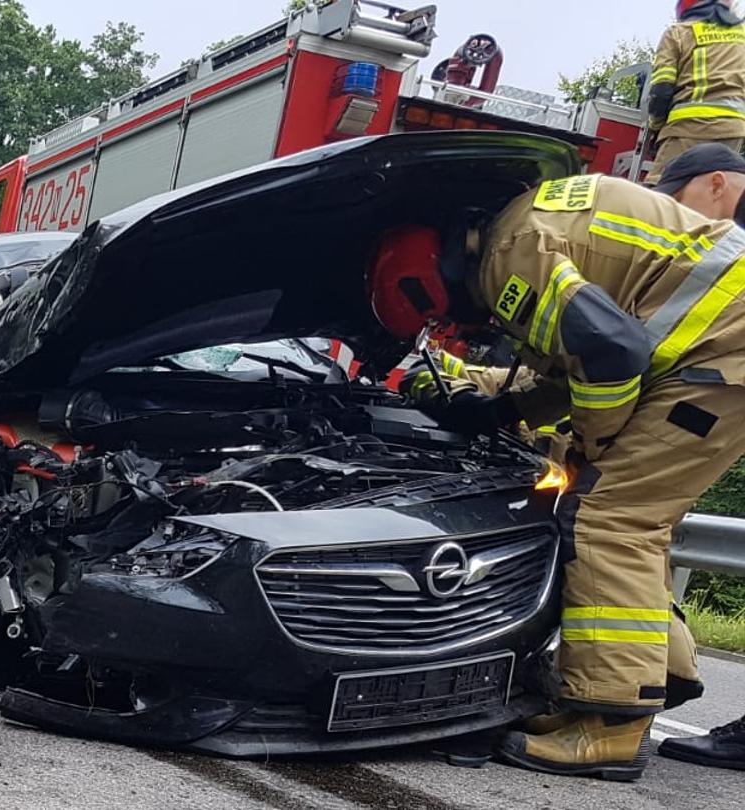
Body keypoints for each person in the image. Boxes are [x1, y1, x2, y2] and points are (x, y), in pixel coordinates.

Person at [371, 173, 745, 780]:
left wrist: (593, 448)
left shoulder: (506, 256)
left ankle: (608, 725)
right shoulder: (530, 221)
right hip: (719, 347)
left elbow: (612, 353)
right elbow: (574, 367)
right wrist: (501, 410)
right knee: (630, 515)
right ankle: (659, 673)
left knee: (606, 517)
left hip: (718, 352)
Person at [649, 144, 745, 770]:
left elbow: (672, 339)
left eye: (673, 203)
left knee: (613, 519)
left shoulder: (728, 245)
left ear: (715, 185)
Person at [647, 0, 745, 182]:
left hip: (688, 126)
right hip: (734, 130)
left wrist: (655, 126)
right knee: (710, 191)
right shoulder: (742, 36)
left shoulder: (678, 33)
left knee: (661, 189)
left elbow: (661, 91)